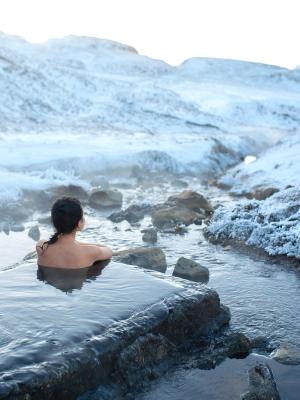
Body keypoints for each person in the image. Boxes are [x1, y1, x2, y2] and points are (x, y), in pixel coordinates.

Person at [36, 196, 113, 269]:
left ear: (53, 222)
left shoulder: (42, 246)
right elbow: (109, 251)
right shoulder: (91, 252)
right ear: (79, 223)